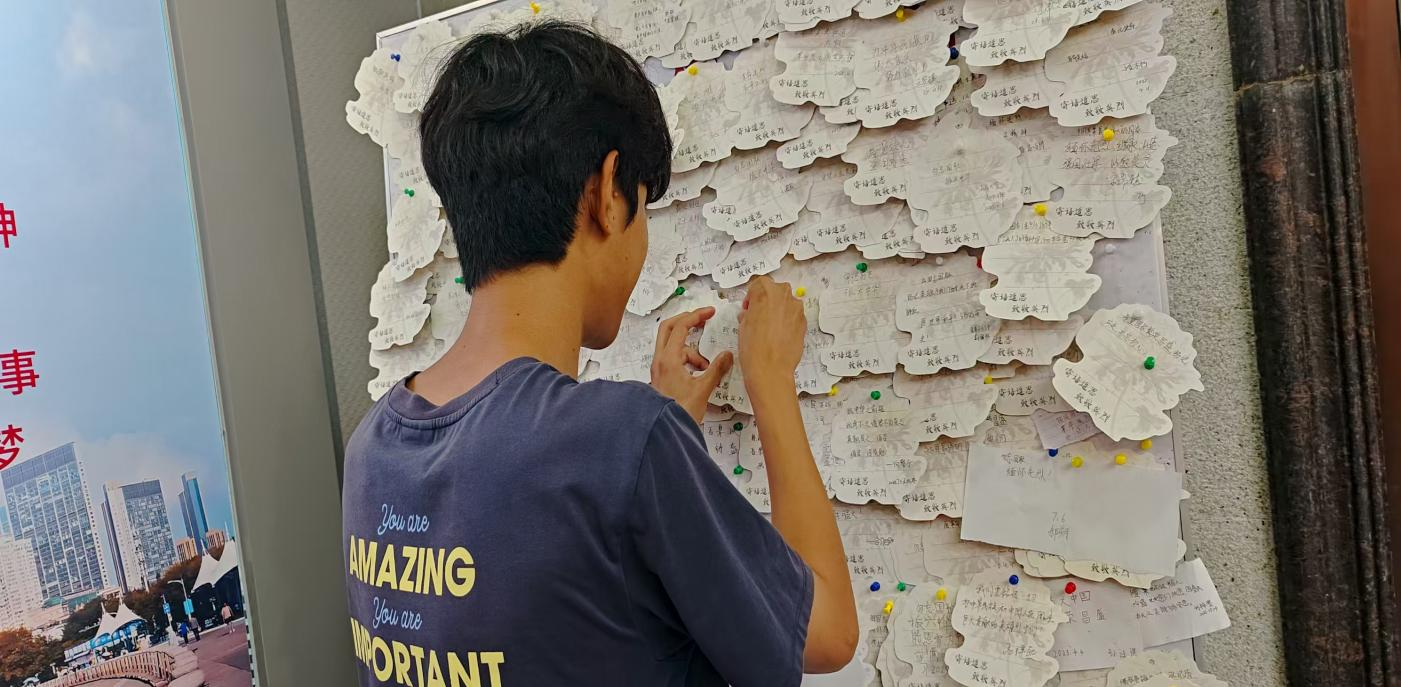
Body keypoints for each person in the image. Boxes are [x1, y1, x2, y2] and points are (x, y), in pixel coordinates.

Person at [341, 20, 857, 687]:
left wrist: (661, 448)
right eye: (643, 207)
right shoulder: (622, 441)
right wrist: (770, 382)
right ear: (608, 194)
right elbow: (827, 634)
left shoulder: (372, 449)